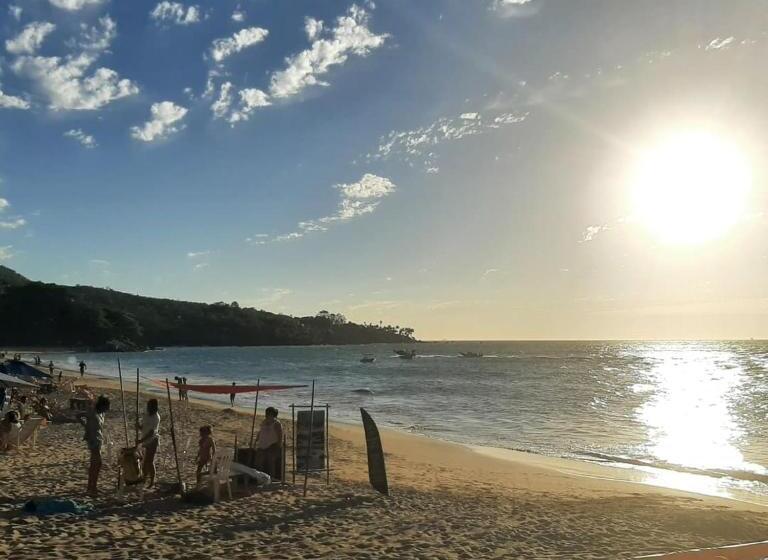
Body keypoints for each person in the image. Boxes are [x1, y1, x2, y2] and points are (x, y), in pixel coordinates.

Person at [77, 395, 110, 497]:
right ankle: (92, 487)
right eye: (106, 406)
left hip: (98, 439)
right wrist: (85, 425)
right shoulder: (92, 412)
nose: (107, 409)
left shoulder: (102, 413)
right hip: (92, 439)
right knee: (98, 463)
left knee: (94, 464)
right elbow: (78, 415)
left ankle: (91, 487)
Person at [136, 398, 160, 488]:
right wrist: (138, 426)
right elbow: (143, 428)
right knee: (145, 461)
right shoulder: (146, 415)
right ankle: (144, 477)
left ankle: (152, 480)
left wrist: (140, 441)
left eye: (150, 406)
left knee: (150, 461)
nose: (148, 407)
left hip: (153, 440)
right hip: (145, 440)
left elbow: (151, 433)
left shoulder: (156, 417)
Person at [255, 407, 283, 478]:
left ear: (272, 414)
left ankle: (271, 479)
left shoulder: (276, 423)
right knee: (259, 463)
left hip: (272, 445)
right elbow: (261, 431)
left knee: (270, 464)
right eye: (266, 413)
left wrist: (278, 446)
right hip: (262, 445)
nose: (266, 415)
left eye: (268, 413)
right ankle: (261, 478)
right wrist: (257, 439)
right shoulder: (264, 421)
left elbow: (280, 436)